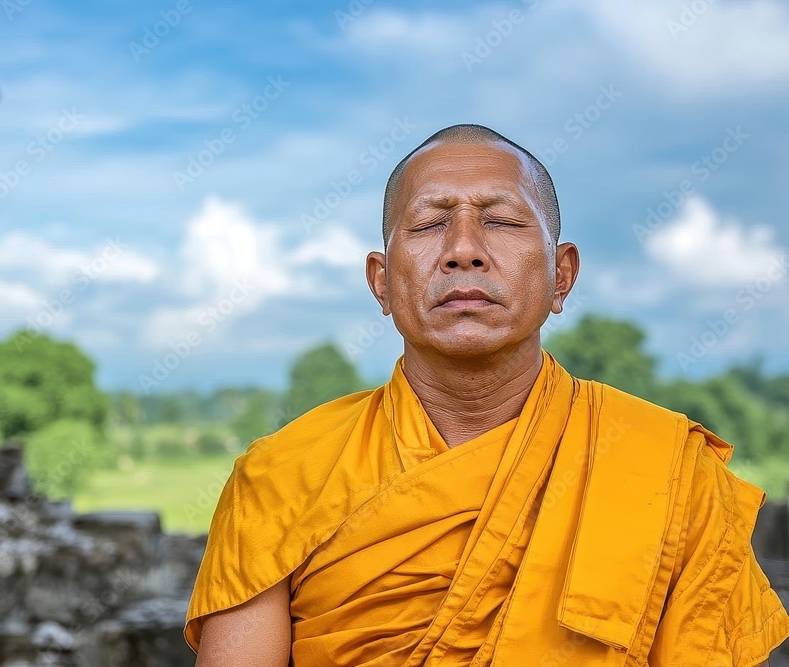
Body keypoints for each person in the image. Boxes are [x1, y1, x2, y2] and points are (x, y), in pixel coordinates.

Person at [183, 124, 789, 666]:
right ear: (382, 281)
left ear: (563, 274)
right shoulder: (280, 476)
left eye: (501, 221)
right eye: (427, 224)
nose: (463, 250)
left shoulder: (668, 470)